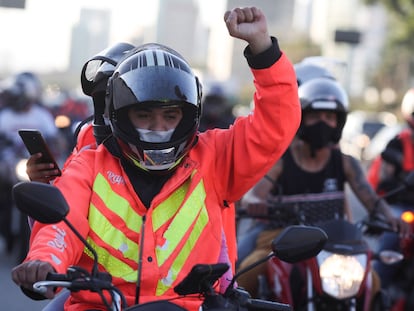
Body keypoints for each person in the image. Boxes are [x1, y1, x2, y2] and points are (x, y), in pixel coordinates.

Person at [12, 6, 301, 311]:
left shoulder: (215, 157)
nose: (158, 128)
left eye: (170, 115)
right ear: (121, 115)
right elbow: (61, 222)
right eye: (144, 115)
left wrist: (262, 49)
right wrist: (43, 261)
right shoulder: (89, 166)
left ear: (188, 115)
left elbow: (276, 125)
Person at [235, 76, 411, 304]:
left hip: (334, 243)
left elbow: (371, 199)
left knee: (373, 283)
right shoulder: (282, 160)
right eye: (315, 116)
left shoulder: (346, 162)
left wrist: (391, 218)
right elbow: (254, 194)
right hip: (283, 239)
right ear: (301, 118)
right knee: (245, 277)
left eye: (330, 117)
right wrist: (255, 201)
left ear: (339, 123)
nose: (323, 123)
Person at [367, 87, 414, 289]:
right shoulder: (398, 144)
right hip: (402, 206)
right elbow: (384, 179)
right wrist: (400, 185)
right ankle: (375, 290)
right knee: (394, 234)